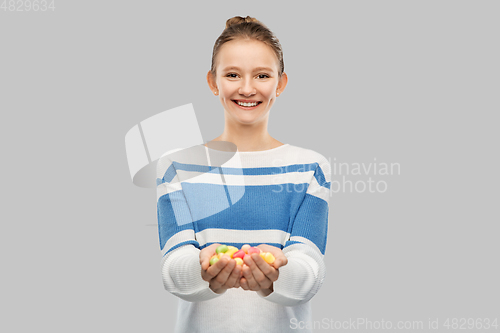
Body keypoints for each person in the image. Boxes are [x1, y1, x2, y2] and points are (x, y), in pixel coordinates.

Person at [156, 16, 332, 333]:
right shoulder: (178, 166)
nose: (247, 89)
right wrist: (202, 270)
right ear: (213, 82)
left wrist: (277, 274)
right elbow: (172, 270)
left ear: (280, 83)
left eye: (262, 75)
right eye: (233, 74)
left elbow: (310, 272)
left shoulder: (310, 167)